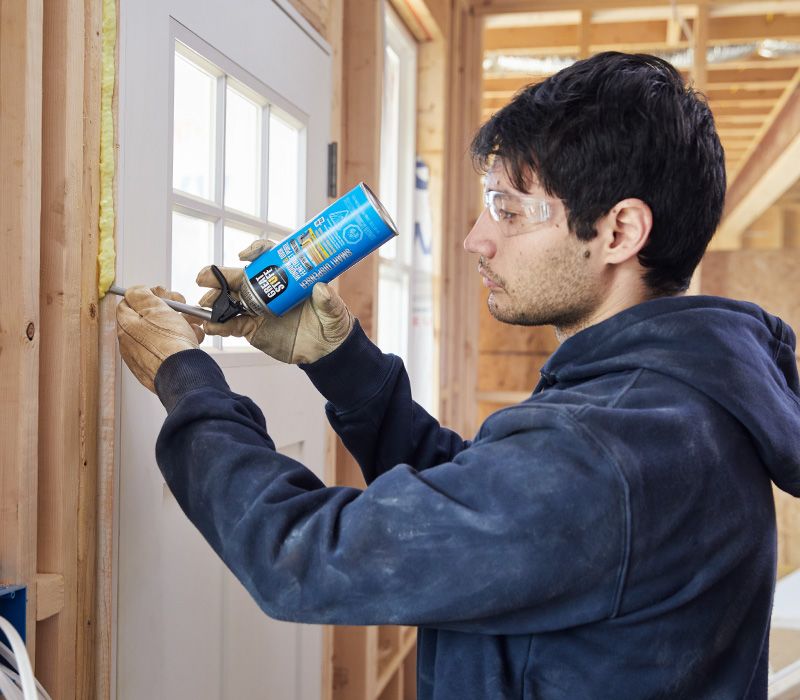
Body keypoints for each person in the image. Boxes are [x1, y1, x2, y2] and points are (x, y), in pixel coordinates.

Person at [116, 52, 800, 699]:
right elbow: (484, 507)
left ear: (619, 232)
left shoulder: (611, 448)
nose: (478, 237)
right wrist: (341, 361)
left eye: (508, 209)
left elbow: (303, 553)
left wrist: (187, 379)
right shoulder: (671, 399)